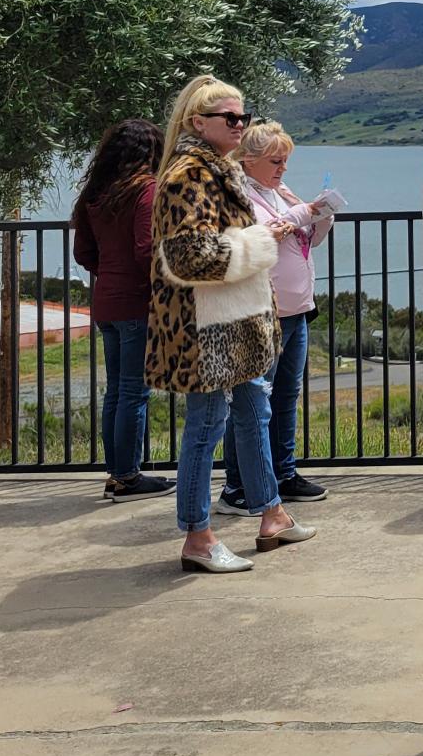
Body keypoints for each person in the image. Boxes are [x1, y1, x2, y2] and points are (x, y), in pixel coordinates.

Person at [145, 77, 314, 573]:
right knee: (206, 426)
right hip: (206, 325)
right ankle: (197, 536)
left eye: (244, 116)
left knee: (252, 412)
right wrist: (263, 242)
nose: (242, 125)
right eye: (231, 118)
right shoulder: (188, 174)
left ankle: (272, 514)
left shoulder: (220, 169)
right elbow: (190, 256)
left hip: (233, 317)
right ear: (199, 122)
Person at [214, 119, 334, 512]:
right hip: (262, 310)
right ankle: (238, 484)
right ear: (248, 161)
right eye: (275, 160)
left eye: (284, 161)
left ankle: (282, 472)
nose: (282, 168)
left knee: (284, 396)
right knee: (252, 402)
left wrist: (321, 216)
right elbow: (266, 232)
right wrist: (302, 213)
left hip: (295, 309)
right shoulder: (240, 195)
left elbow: (303, 236)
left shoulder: (278, 192)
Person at [71, 120, 174, 503]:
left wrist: (109, 272)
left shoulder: (95, 194)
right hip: (136, 302)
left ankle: (117, 474)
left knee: (116, 390)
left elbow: (83, 253)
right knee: (134, 391)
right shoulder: (146, 190)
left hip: (106, 303)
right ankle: (129, 477)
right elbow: (146, 250)